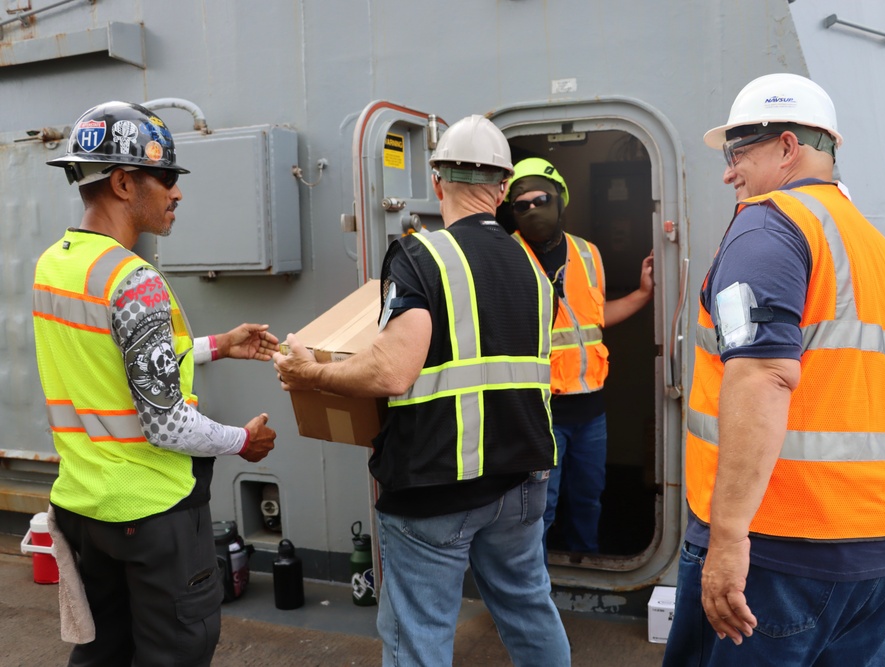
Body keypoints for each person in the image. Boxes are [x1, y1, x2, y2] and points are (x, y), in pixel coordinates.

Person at [274, 115, 571, 666]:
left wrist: (310, 373)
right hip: (523, 480)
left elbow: (391, 372)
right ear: (503, 188)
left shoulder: (421, 255)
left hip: (437, 485)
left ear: (438, 183)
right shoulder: (533, 270)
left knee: (420, 635)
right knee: (530, 609)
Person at [662, 73, 885, 666]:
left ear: (787, 147)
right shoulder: (877, 247)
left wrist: (729, 539)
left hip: (787, 547)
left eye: (739, 152)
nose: (729, 171)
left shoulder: (768, 226)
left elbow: (763, 377)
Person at [33, 101, 278, 667]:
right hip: (150, 515)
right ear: (123, 182)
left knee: (103, 653)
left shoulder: (56, 265)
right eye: (166, 177)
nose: (177, 192)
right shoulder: (132, 279)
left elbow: (110, 361)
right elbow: (166, 422)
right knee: (176, 653)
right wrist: (244, 441)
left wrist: (218, 344)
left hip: (82, 507)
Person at [506, 157, 653, 555]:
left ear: (560, 200)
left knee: (589, 500)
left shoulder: (588, 253)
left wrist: (641, 294)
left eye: (541, 198)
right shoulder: (507, 257)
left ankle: (583, 559)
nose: (533, 208)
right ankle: (533, 589)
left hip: (591, 412)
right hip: (541, 413)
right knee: (540, 508)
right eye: (522, 204)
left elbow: (593, 318)